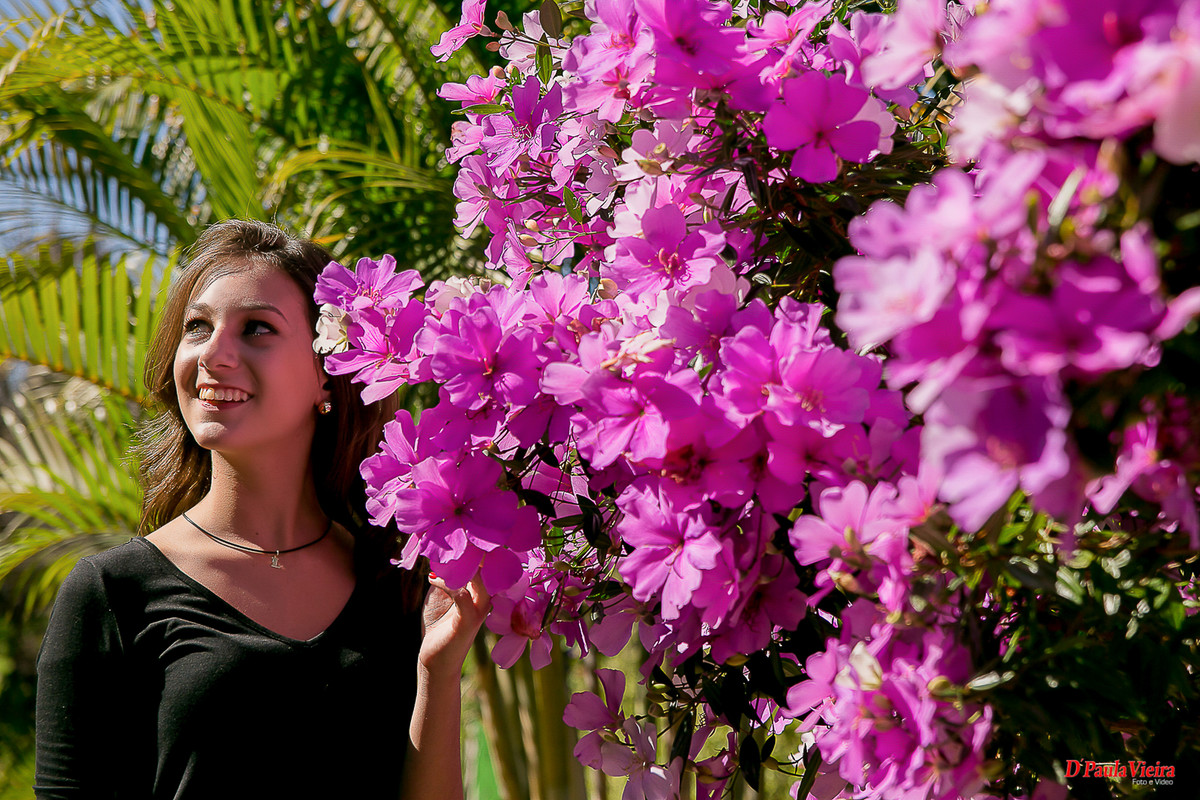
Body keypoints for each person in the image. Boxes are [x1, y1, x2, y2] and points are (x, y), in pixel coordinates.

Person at [34, 219, 488, 799]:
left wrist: (437, 673)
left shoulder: (394, 585)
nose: (215, 355)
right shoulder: (113, 592)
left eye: (256, 329)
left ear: (329, 375)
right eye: (197, 327)